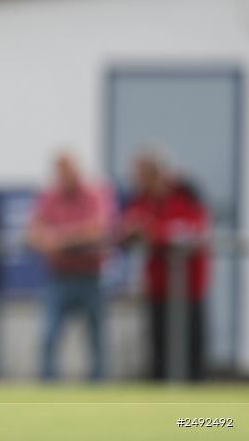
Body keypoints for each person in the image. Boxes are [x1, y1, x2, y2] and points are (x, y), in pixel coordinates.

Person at [120, 152, 209, 381]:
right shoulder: (141, 200)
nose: (138, 182)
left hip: (189, 286)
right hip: (158, 285)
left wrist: (153, 233)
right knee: (159, 343)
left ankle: (195, 400)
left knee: (191, 344)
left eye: (143, 176)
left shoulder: (186, 195)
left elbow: (193, 232)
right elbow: (126, 230)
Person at [28, 152, 110, 381]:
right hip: (59, 276)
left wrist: (60, 239)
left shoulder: (94, 194)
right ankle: (48, 383)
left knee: (96, 337)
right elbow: (34, 233)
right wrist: (57, 239)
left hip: (90, 275)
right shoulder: (49, 197)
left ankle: (99, 384)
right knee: (49, 335)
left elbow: (97, 231)